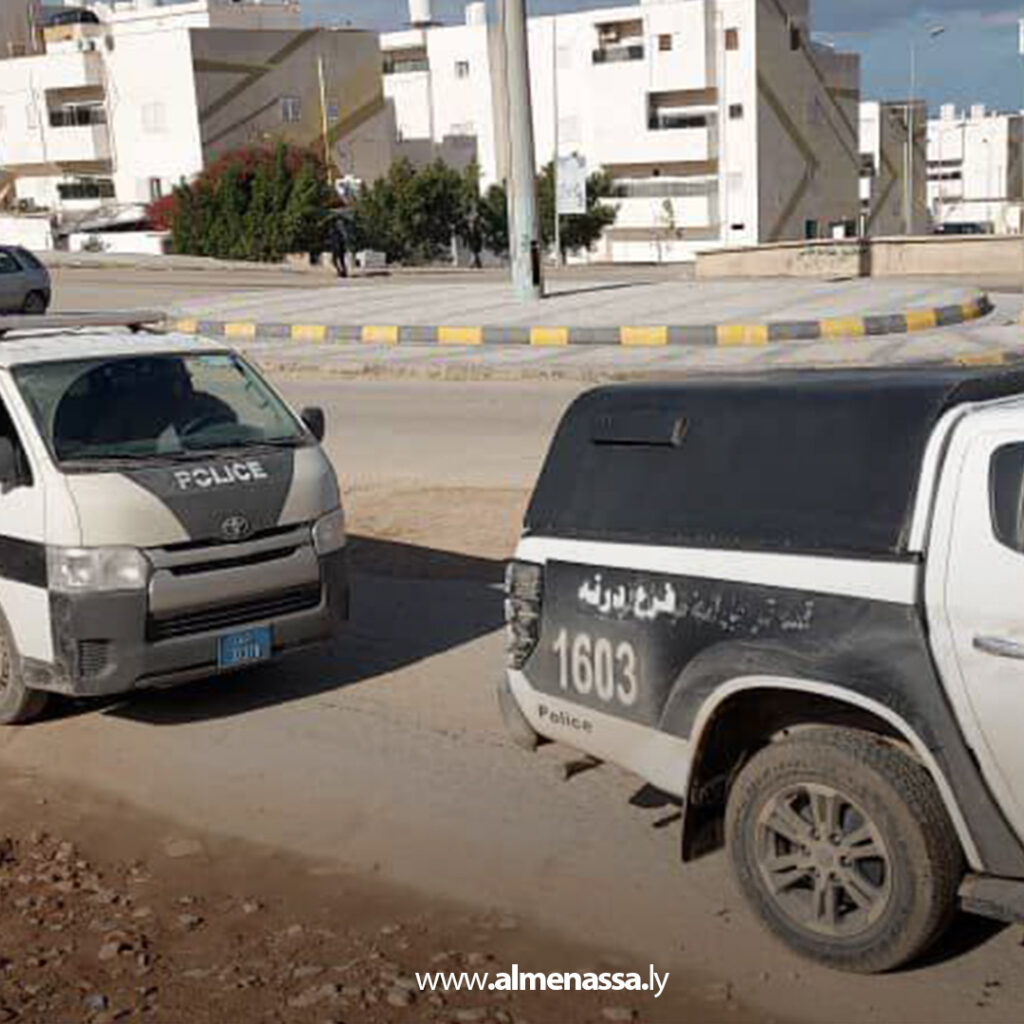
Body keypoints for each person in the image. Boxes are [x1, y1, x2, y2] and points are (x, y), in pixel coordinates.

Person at [329, 211, 350, 279]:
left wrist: (345, 242)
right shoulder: (337, 225)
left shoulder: (338, 224)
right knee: (340, 260)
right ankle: (342, 272)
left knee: (336, 260)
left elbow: (344, 234)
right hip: (338, 245)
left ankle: (342, 272)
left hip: (338, 245)